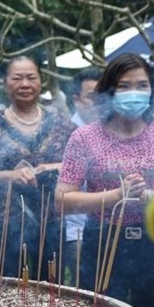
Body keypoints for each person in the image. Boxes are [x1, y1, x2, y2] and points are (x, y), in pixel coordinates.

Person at [56, 53, 154, 307]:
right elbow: (63, 199)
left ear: (152, 90)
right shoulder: (85, 137)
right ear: (108, 91)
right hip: (103, 240)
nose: (134, 93)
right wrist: (116, 195)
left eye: (142, 85)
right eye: (124, 86)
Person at [0, 56, 75, 280]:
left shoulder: (61, 124)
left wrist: (51, 167)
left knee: (52, 292)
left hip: (52, 223)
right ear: (6, 83)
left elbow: (81, 164)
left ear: (41, 82)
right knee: (7, 290)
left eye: (31, 77)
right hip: (4, 227)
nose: (25, 84)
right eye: (17, 78)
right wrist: (11, 175)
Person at [63, 68, 100, 285]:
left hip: (109, 230)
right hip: (77, 233)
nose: (99, 102)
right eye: (92, 97)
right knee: (87, 298)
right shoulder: (67, 133)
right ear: (77, 100)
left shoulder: (112, 131)